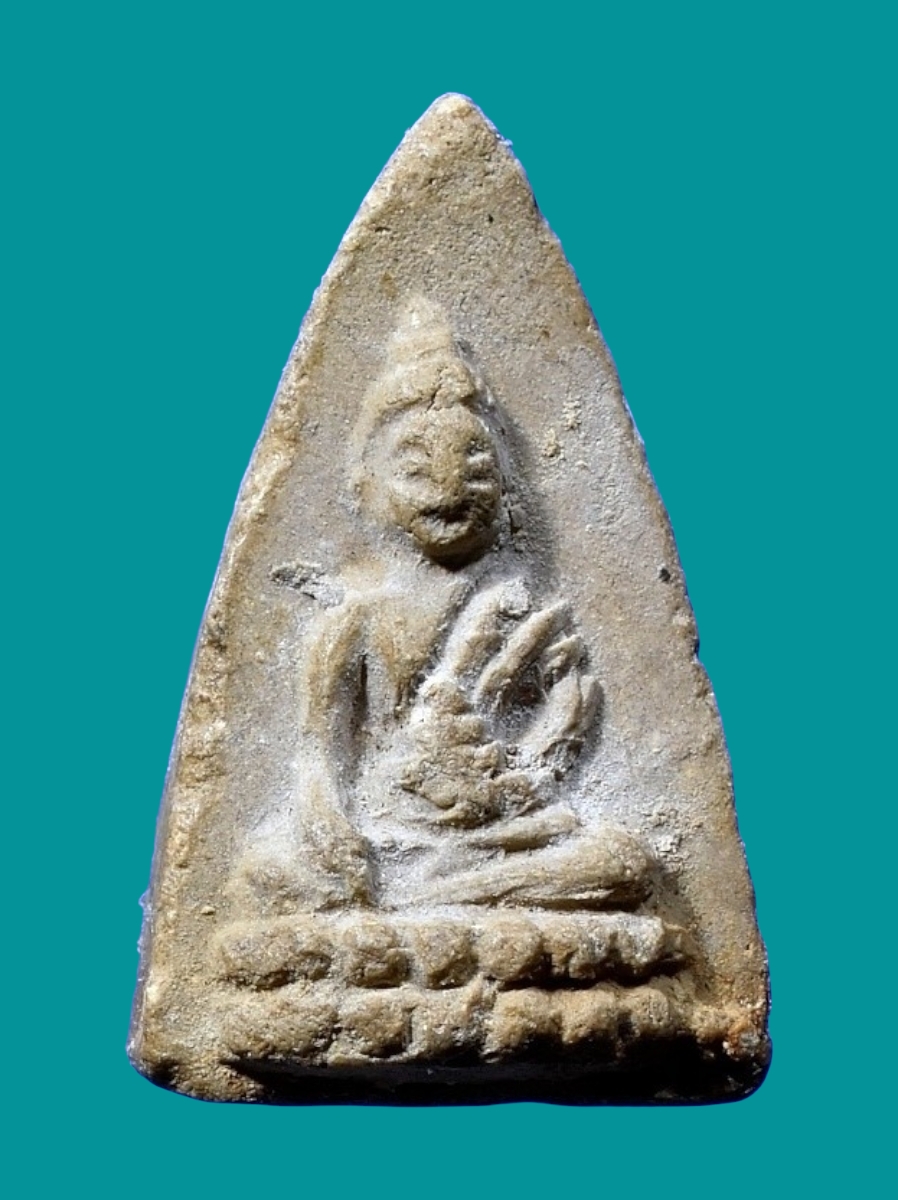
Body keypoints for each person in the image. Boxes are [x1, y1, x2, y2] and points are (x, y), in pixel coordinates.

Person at [241, 299, 654, 914]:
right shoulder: (353, 621)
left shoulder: (525, 611)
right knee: (269, 870)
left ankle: (433, 899)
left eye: (476, 469)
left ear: (508, 488)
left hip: (501, 830)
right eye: (416, 469)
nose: (450, 487)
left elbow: (560, 724)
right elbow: (317, 760)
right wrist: (331, 828)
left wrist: (512, 783)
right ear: (364, 484)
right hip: (385, 831)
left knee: (620, 862)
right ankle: (420, 901)